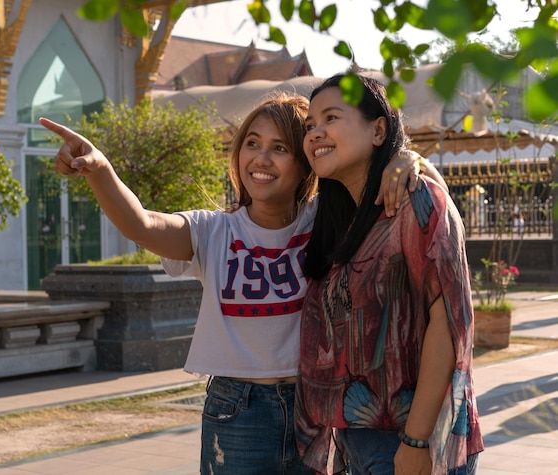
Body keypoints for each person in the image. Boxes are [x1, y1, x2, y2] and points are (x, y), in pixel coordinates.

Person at [39, 90, 441, 474]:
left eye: (280, 148)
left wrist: (408, 157)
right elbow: (142, 224)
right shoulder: (212, 231)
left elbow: (387, 181)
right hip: (238, 411)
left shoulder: (327, 221)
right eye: (252, 143)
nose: (261, 158)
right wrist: (101, 170)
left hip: (317, 409)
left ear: (305, 163)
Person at [294, 74, 484, 475]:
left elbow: (448, 325)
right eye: (310, 124)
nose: (315, 132)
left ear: (378, 129)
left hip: (411, 439)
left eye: (331, 117)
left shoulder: (416, 199)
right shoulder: (341, 223)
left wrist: (416, 442)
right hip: (356, 441)